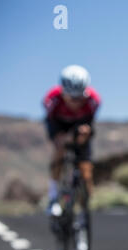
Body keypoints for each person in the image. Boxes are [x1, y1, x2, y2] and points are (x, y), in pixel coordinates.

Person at [43, 65, 101, 219]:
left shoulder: (93, 101)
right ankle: (53, 197)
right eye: (72, 98)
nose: (76, 103)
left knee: (86, 170)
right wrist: (61, 138)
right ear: (63, 92)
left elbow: (89, 126)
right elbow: (51, 123)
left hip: (81, 125)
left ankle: (83, 206)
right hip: (59, 124)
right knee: (60, 148)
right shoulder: (52, 99)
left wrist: (84, 134)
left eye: (79, 98)